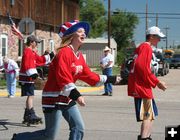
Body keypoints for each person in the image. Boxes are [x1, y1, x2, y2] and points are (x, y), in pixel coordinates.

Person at [12, 20, 120, 140]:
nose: (84, 34)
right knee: (49, 136)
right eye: (80, 31)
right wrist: (77, 95)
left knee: (78, 128)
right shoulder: (63, 53)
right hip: (53, 98)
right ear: (71, 35)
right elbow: (63, 78)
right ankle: (19, 138)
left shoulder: (78, 56)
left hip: (67, 98)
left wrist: (113, 79)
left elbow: (89, 76)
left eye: (84, 32)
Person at [127, 26, 167, 140]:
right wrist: (157, 82)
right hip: (142, 87)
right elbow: (141, 67)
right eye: (158, 37)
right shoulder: (146, 47)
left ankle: (146, 136)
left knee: (150, 115)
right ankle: (144, 138)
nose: (159, 40)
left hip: (140, 86)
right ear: (151, 36)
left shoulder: (141, 47)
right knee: (147, 115)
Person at [18, 35, 53, 126]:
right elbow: (27, 64)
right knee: (30, 95)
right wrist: (32, 73)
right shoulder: (28, 51)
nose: (37, 44)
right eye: (36, 42)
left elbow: (39, 60)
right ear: (31, 42)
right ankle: (30, 114)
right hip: (26, 78)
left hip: (29, 78)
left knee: (30, 95)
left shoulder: (32, 52)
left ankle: (27, 114)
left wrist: (48, 56)